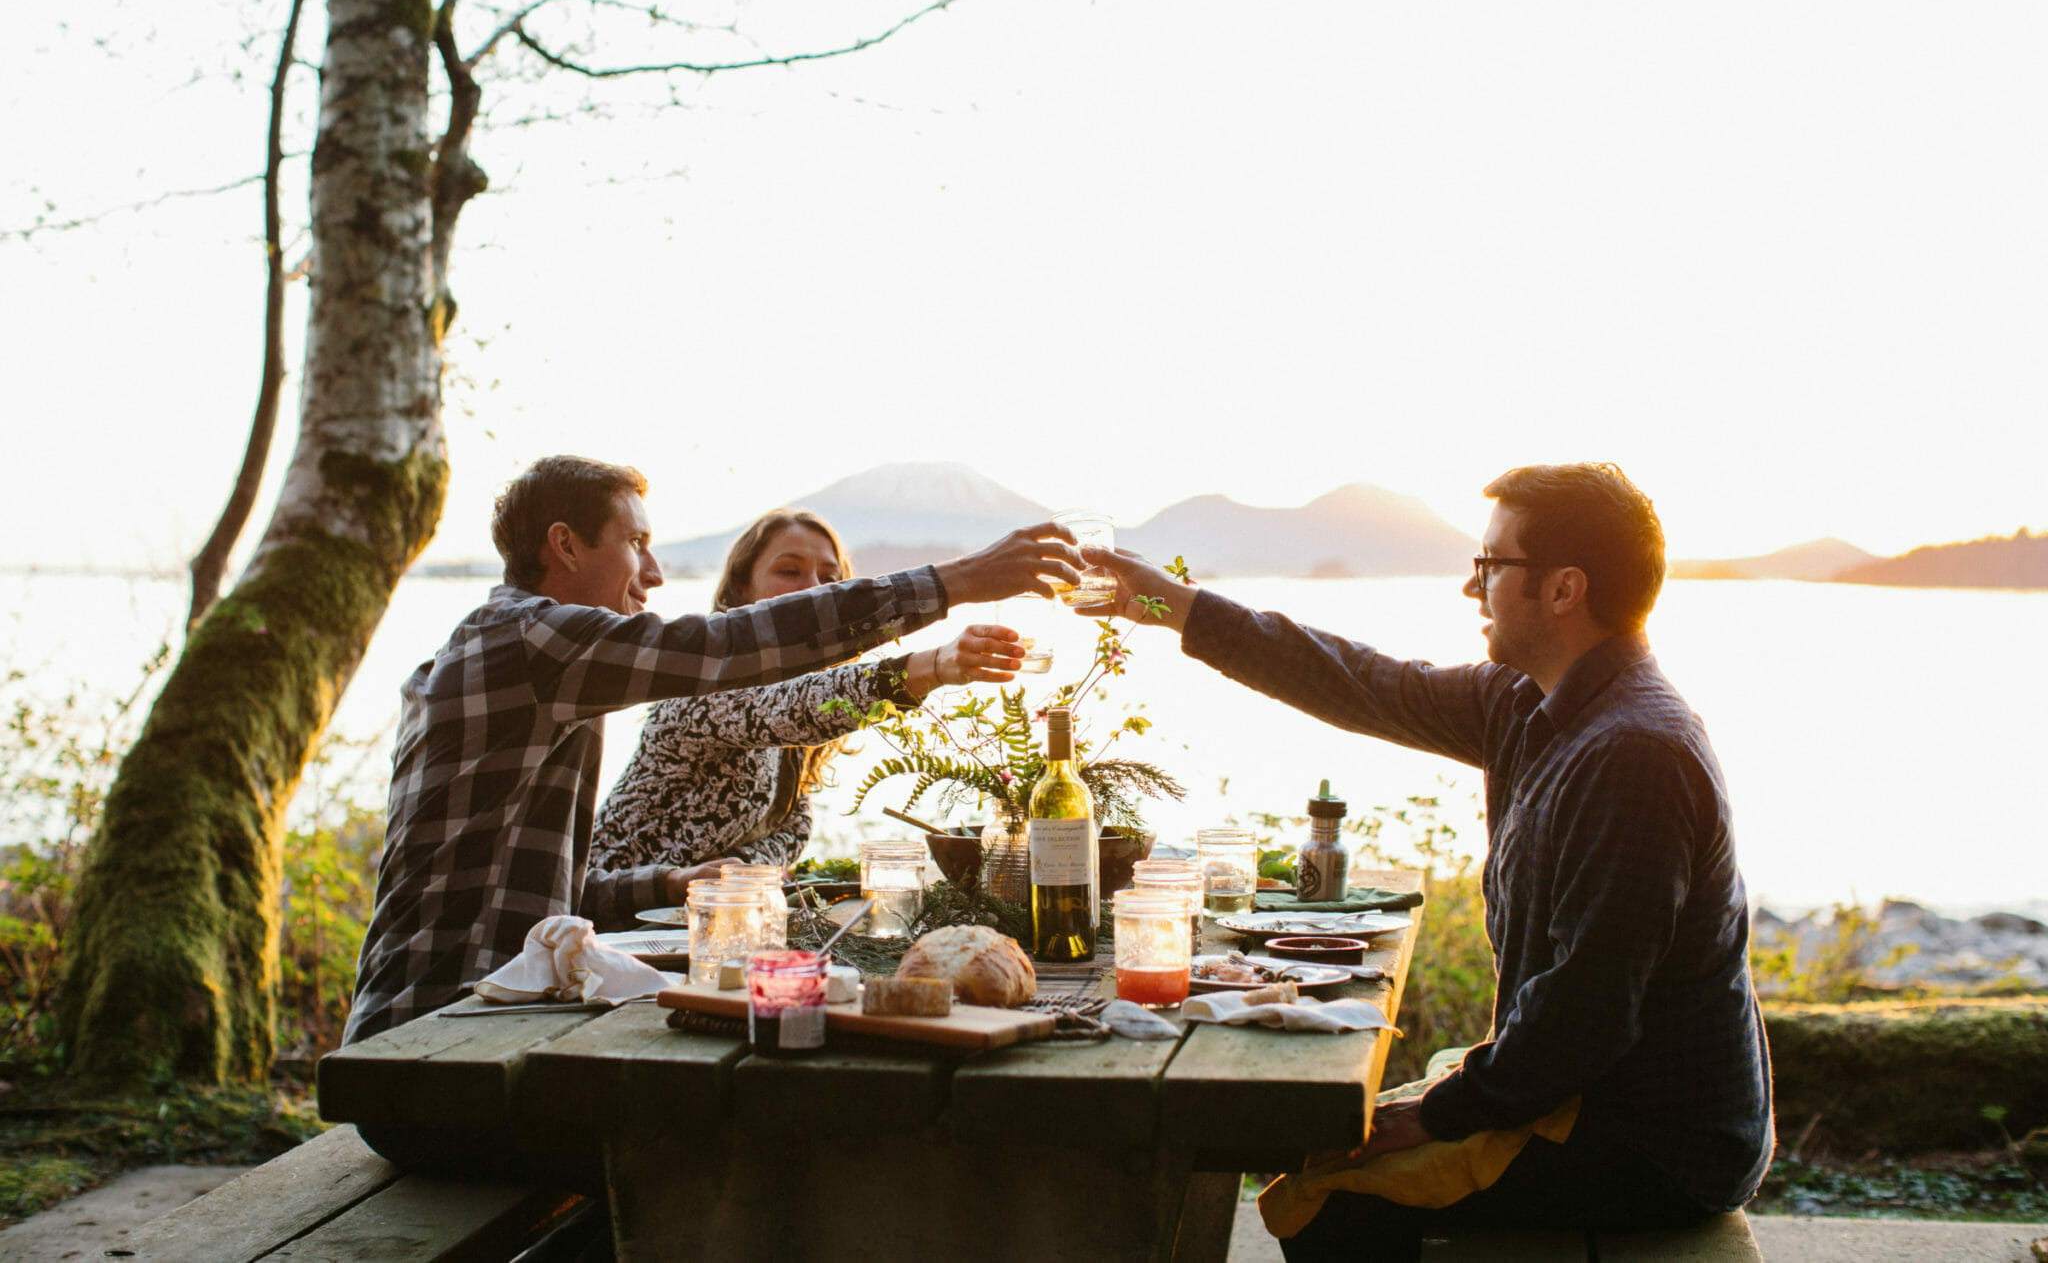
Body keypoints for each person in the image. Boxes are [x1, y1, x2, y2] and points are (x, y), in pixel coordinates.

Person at [1083, 463, 1772, 1260]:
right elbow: (1364, 681)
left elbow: (1587, 1010)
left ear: (1564, 589)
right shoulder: (1526, 702)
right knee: (1318, 1141)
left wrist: (1445, 1110)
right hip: (1588, 1093)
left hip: (1651, 1139)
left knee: (1326, 1196)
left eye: (1490, 566)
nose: (1471, 589)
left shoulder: (1633, 755)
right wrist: (1177, 608)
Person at [343, 456, 1078, 1053]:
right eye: (636, 543)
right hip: (434, 1043)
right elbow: (726, 651)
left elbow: (548, 898)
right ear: (564, 545)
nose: (656, 572)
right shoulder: (530, 641)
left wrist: (671, 880)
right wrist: (956, 586)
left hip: (470, 1030)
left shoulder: (531, 659)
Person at [592, 509, 1013, 875]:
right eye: (789, 571)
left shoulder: (798, 732)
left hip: (688, 927)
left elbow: (784, 837)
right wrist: (934, 665)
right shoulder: (703, 681)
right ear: (741, 588)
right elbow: (794, 710)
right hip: (596, 921)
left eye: (830, 578)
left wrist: (749, 876)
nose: (815, 588)